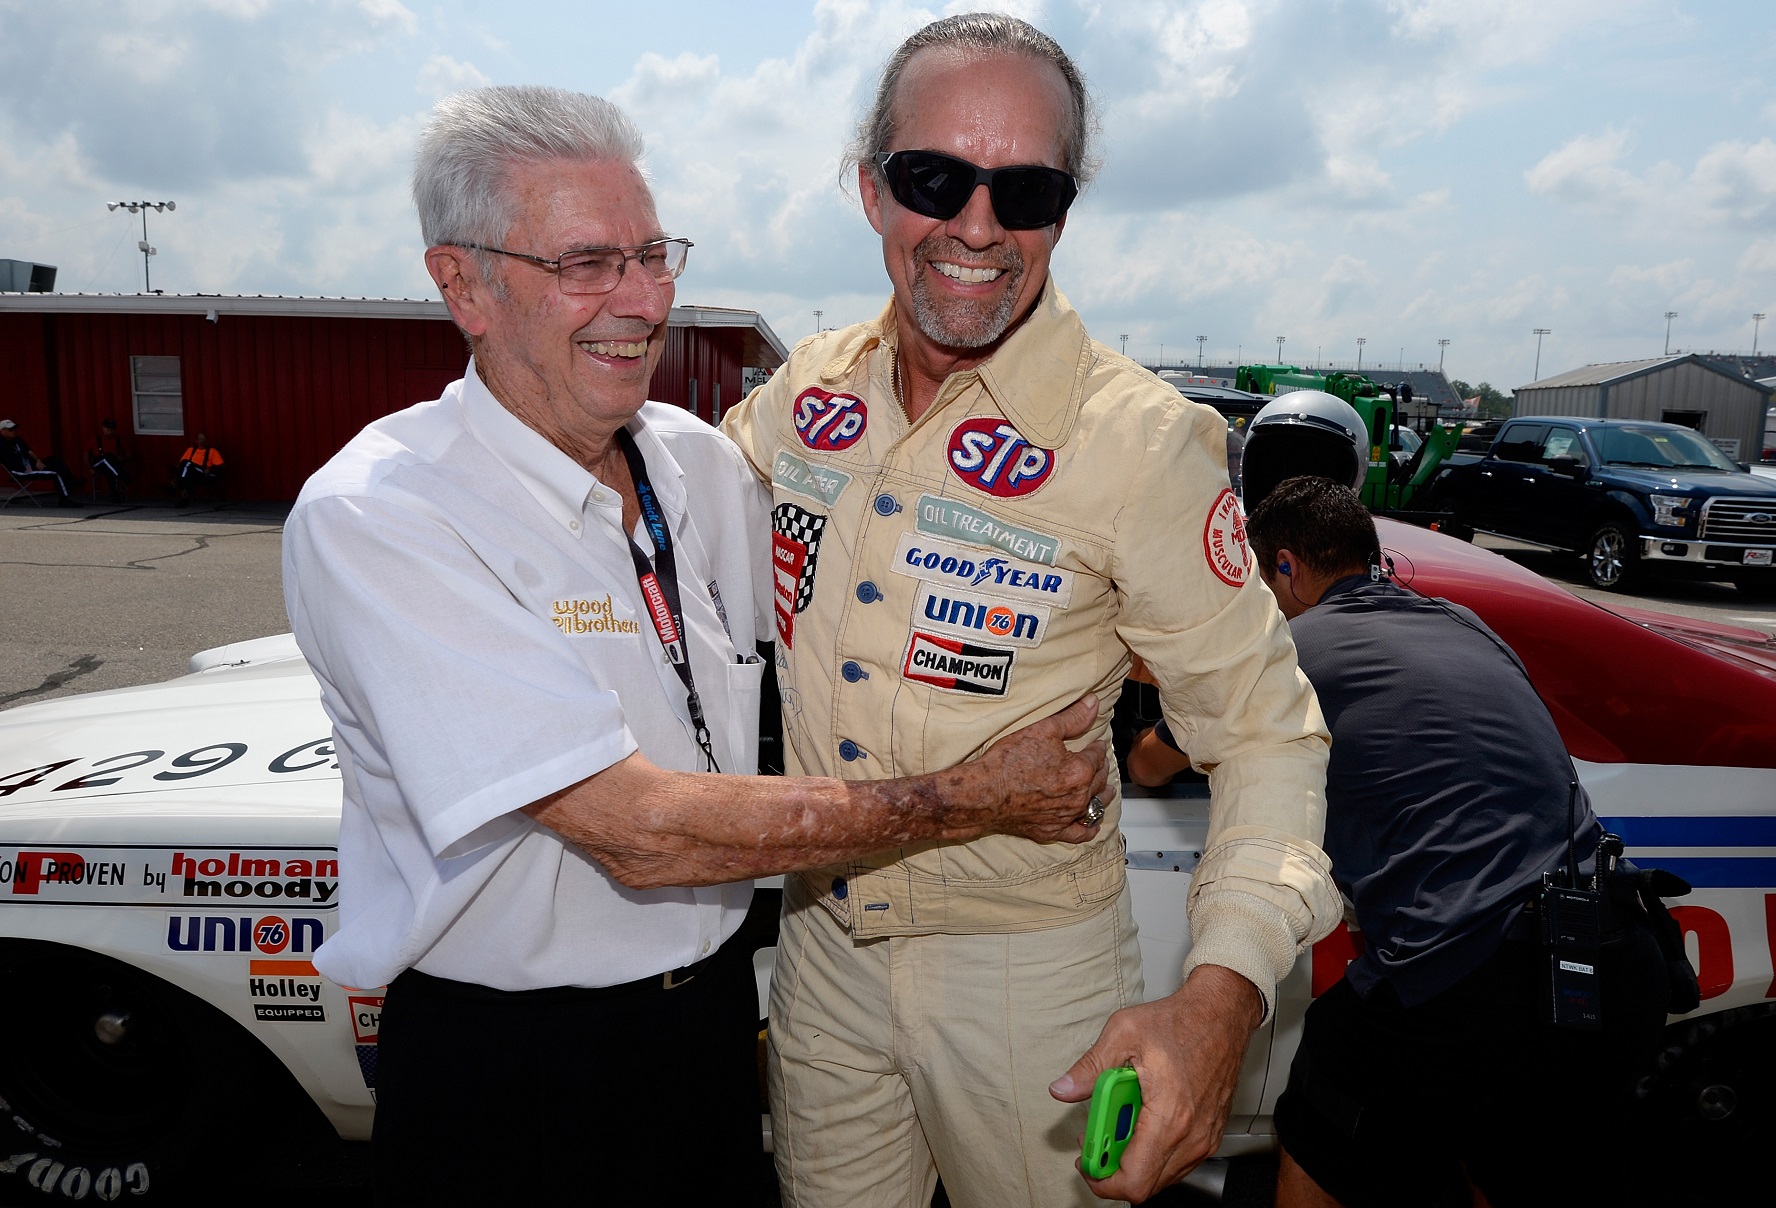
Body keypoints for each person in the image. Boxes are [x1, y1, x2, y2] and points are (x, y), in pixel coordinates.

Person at [282, 85, 1111, 1207]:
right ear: (463, 284)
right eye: (585, 263)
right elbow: (639, 832)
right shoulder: (385, 514)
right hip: (520, 1070)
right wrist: (977, 796)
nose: (641, 300)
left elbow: (871, 596)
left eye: (650, 253)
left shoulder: (696, 463)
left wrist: (1089, 594)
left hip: (712, 1027)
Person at [719, 15, 1340, 1206]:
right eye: (933, 177)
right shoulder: (803, 393)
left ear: (1065, 210)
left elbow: (1268, 734)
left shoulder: (1145, 443)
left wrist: (1222, 997)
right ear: (871, 190)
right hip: (822, 955)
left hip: (1029, 976)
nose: (976, 225)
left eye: (1027, 189)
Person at [1129, 476, 1672, 1208]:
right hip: (1616, 960)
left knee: (1323, 1128)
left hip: (1467, 977)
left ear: (1283, 566)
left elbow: (1148, 766)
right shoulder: (1461, 620)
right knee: (1513, 1167)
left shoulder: (1286, 653)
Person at [0, 418, 77, 505]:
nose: (13, 431)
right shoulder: (1, 444)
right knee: (56, 473)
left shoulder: (17, 439)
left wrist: (38, 460)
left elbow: (30, 452)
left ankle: (71, 482)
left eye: (14, 429)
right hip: (21, 470)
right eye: (10, 429)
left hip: (30, 464)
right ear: (2, 430)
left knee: (55, 460)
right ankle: (64, 499)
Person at [172, 433, 223, 505]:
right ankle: (183, 485)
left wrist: (210, 468)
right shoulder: (190, 450)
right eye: (200, 439)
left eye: (204, 439)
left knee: (188, 463)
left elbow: (221, 465)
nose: (202, 441)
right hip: (191, 474)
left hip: (203, 473)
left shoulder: (212, 451)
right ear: (196, 441)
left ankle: (180, 482)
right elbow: (181, 464)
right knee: (185, 463)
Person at [89, 418, 128, 503]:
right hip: (99, 463)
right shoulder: (95, 439)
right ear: (103, 428)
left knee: (113, 469)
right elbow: (86, 454)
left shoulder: (119, 440)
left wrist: (123, 458)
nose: (110, 430)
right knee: (108, 457)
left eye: (112, 428)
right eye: (107, 428)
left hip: (113, 464)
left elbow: (128, 455)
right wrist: (89, 467)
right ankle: (123, 475)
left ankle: (114, 495)